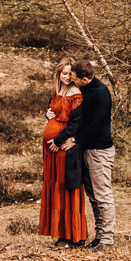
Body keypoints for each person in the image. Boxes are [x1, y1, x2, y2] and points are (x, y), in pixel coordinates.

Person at [48, 57, 115, 252]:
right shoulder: (85, 89)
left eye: (75, 78)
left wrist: (74, 139)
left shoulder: (101, 93)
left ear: (85, 79)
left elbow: (98, 123)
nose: (71, 80)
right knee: (93, 195)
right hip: (86, 149)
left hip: (99, 150)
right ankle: (99, 236)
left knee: (102, 195)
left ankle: (107, 240)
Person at [38, 55, 88, 249]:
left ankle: (70, 236)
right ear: (58, 74)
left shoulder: (76, 93)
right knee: (55, 186)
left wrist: (59, 141)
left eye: (70, 73)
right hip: (51, 150)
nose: (67, 77)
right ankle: (60, 234)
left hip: (63, 147)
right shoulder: (58, 91)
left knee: (65, 187)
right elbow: (55, 113)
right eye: (64, 73)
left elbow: (76, 123)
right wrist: (47, 114)